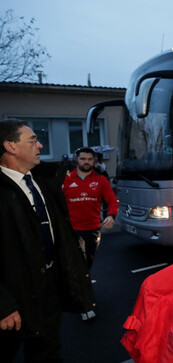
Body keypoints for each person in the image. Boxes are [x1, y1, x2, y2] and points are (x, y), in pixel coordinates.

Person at [0, 119, 95, 362]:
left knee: (47, 350)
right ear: (10, 146)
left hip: (48, 286)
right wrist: (3, 304)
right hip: (14, 294)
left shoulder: (43, 181)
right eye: (32, 140)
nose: (40, 145)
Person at [62, 147, 118, 319]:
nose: (86, 162)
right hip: (72, 230)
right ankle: (85, 305)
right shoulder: (66, 179)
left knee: (86, 265)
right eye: (83, 159)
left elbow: (112, 201)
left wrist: (111, 215)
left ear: (93, 161)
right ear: (76, 160)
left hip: (93, 230)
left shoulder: (101, 180)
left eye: (89, 159)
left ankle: (77, 291)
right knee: (80, 267)